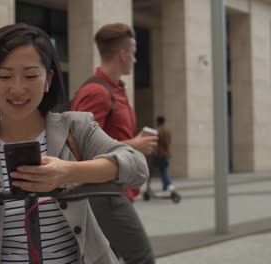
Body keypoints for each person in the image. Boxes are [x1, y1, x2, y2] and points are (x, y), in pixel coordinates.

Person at [0, 23, 149, 264]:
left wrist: (68, 172)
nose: (17, 88)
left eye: (31, 75)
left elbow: (137, 167)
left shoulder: (77, 127)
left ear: (48, 79)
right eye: (4, 76)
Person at [70, 23, 157, 264]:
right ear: (123, 54)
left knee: (105, 258)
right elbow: (79, 147)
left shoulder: (115, 89)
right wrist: (133, 145)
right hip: (104, 192)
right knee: (141, 256)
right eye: (134, 51)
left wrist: (132, 143)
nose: (136, 59)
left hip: (113, 189)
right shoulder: (97, 92)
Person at [156, 115, 174, 192]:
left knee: (163, 171)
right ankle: (165, 186)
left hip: (162, 154)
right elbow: (169, 142)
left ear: (158, 122)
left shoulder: (159, 131)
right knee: (164, 170)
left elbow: (161, 143)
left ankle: (170, 185)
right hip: (167, 154)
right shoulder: (168, 130)